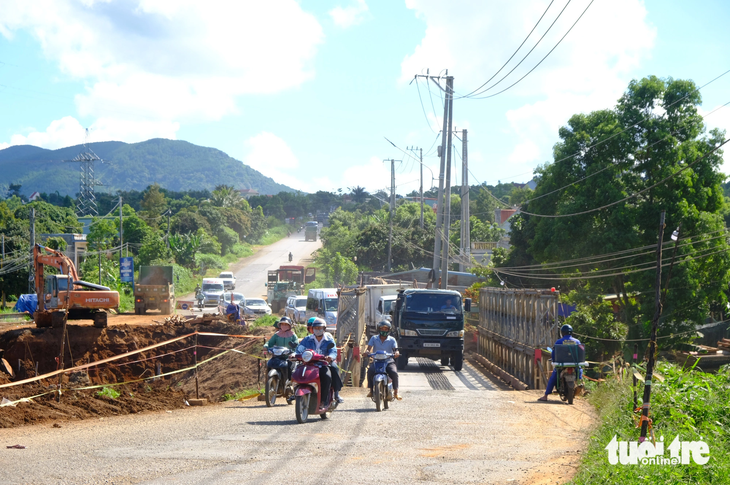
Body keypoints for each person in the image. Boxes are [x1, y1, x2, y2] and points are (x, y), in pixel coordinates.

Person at [296, 318, 344, 405]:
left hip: (323, 364)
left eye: (320, 328)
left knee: (328, 374)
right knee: (296, 372)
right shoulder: (307, 339)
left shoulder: (329, 340)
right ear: (312, 329)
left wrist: (330, 357)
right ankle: (294, 392)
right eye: (315, 328)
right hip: (309, 364)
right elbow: (299, 349)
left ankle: (327, 398)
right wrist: (294, 354)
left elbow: (333, 351)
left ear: (324, 329)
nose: (317, 330)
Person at [538, 324, 582, 402]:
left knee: (553, 378)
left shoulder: (559, 341)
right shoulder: (577, 341)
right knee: (579, 370)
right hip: (574, 364)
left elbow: (554, 353)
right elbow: (581, 352)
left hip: (562, 365)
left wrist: (554, 359)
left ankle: (545, 396)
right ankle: (580, 380)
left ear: (562, 332)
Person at [365, 321, 401, 400]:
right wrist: (367, 352)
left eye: (386, 329)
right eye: (382, 329)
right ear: (379, 329)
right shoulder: (374, 338)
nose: (384, 331)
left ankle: (396, 392)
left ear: (389, 330)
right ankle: (371, 390)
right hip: (376, 361)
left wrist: (396, 353)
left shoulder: (392, 340)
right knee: (370, 371)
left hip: (388, 361)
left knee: (394, 373)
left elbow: (396, 349)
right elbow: (368, 349)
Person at [264, 317, 299, 382]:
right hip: (277, 356)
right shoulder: (276, 335)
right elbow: (270, 343)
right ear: (280, 325)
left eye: (286, 324)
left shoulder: (293, 335)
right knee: (269, 364)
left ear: (289, 326)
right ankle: (268, 382)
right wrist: (266, 347)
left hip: (288, 357)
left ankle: (289, 383)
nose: (284, 326)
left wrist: (294, 347)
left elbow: (297, 344)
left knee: (290, 368)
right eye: (282, 324)